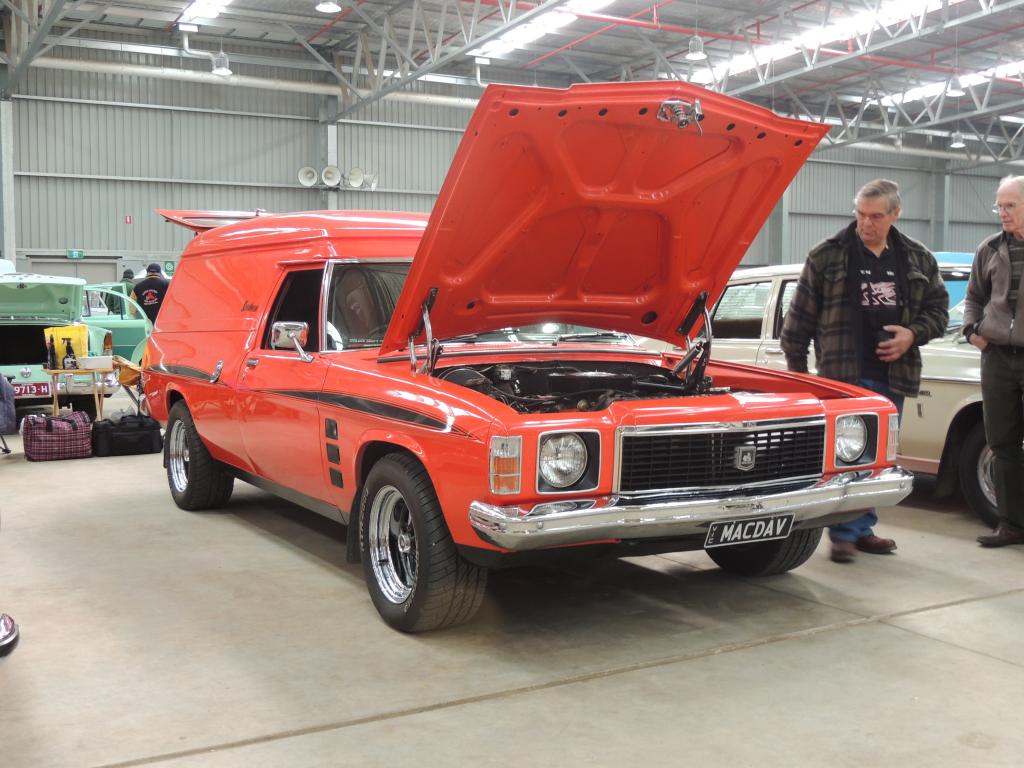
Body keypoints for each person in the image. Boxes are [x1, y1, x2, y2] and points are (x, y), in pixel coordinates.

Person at [781, 178, 949, 563]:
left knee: (879, 457)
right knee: (846, 455)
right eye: (860, 214)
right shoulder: (827, 255)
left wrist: (912, 334)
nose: (866, 223)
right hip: (843, 375)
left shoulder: (917, 259)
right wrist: (799, 379)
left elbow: (938, 311)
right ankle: (842, 532)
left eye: (875, 216)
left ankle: (861, 528)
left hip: (895, 374)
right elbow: (798, 322)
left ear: (895, 214)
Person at [963, 175, 1024, 547]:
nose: (1002, 213)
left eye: (1010, 205)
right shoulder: (988, 249)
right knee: (1002, 443)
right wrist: (972, 331)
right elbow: (973, 297)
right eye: (999, 206)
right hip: (997, 357)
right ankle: (1011, 523)